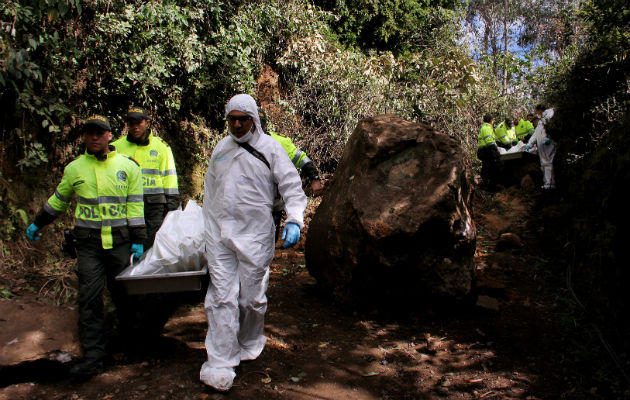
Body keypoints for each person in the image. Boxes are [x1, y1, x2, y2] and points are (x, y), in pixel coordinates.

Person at [200, 94, 307, 391]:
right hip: (220, 235)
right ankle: (221, 360)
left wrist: (295, 219)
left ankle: (249, 340)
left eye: (242, 119)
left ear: (254, 119)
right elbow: (210, 193)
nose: (236, 124)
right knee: (221, 297)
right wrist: (205, 230)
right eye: (231, 119)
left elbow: (291, 187)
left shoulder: (270, 148)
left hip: (255, 236)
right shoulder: (221, 149)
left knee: (251, 299)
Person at [25, 114, 146, 377]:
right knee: (89, 299)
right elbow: (58, 201)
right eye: (89, 132)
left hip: (120, 244)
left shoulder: (129, 167)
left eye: (99, 133)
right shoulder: (75, 168)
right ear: (84, 136)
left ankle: (132, 348)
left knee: (124, 297)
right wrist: (38, 222)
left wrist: (139, 240)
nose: (94, 137)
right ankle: (94, 357)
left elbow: (136, 207)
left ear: (109, 136)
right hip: (89, 246)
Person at [112, 106, 179, 248]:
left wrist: (172, 207)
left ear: (147, 123)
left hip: (154, 206)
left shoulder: (161, 147)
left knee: (151, 244)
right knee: (127, 242)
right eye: (131, 124)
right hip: (126, 204)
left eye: (139, 123)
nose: (135, 127)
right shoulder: (116, 147)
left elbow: (169, 177)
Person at [257, 108, 323, 241]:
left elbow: (302, 159)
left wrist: (314, 178)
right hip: (246, 204)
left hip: (273, 204)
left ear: (265, 126)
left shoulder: (279, 142)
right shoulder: (235, 144)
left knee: (265, 246)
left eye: (260, 126)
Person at [526, 104, 556, 189]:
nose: (536, 113)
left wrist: (549, 138)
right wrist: (529, 144)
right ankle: (547, 183)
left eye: (536, 110)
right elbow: (536, 134)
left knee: (548, 164)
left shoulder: (549, 116)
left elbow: (552, 128)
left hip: (548, 144)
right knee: (544, 164)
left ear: (540, 110)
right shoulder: (540, 122)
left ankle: (550, 184)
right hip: (541, 146)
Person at [477, 114, 502, 191]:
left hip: (484, 150)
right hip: (486, 151)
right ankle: (489, 187)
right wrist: (496, 150)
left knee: (487, 168)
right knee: (489, 168)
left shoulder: (485, 127)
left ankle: (488, 186)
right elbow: (490, 142)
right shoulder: (487, 128)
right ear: (491, 120)